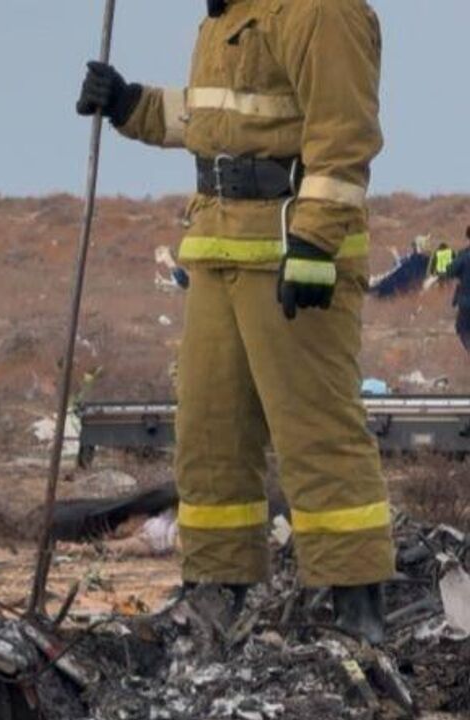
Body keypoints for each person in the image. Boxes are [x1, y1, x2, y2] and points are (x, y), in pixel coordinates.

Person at [76, 0, 394, 641]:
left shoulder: (319, 10)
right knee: (209, 433)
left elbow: (343, 135)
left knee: (316, 433)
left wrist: (315, 243)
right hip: (217, 248)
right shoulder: (225, 20)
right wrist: (129, 103)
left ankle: (356, 605)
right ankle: (216, 592)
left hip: (289, 253)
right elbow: (214, 118)